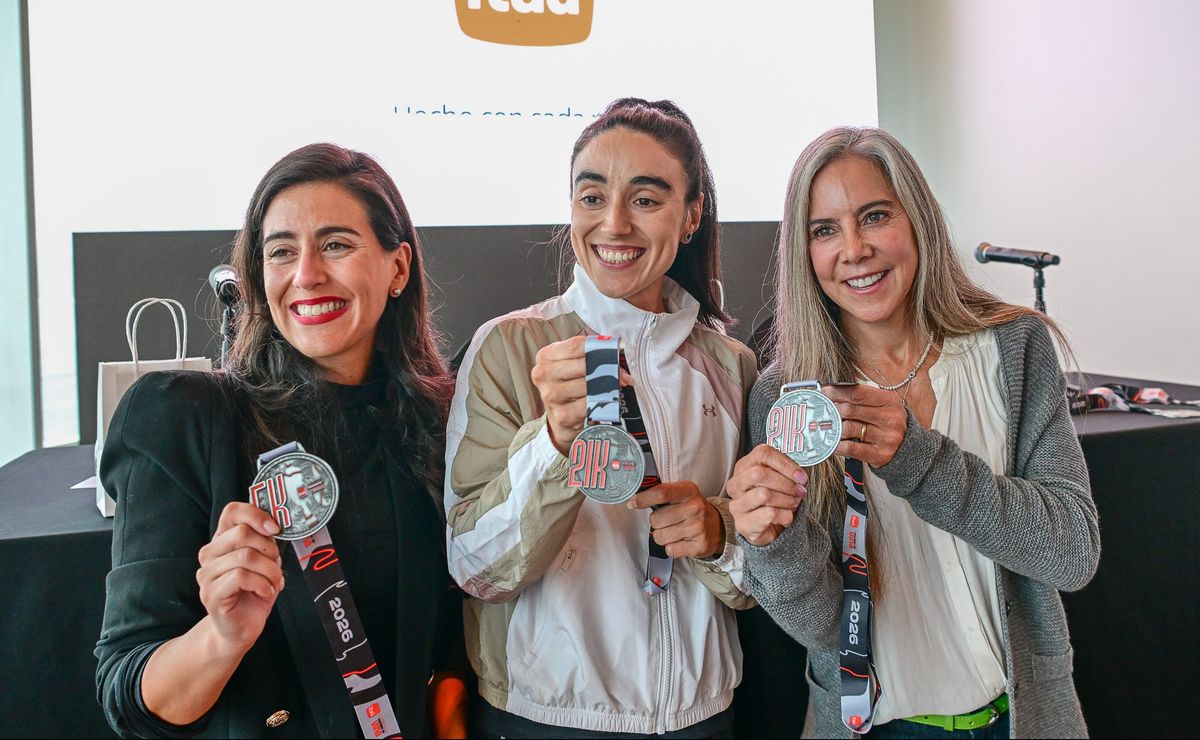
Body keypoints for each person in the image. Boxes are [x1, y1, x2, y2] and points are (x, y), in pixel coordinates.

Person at [726, 127, 1100, 739]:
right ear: (804, 253)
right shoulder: (786, 396)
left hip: (1022, 718)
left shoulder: (1013, 347)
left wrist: (918, 460)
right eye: (825, 230)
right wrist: (774, 541)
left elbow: (1072, 553)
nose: (854, 249)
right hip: (875, 725)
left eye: (875, 216)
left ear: (918, 219)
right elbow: (823, 628)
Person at [95, 143, 462, 738]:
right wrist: (222, 635)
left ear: (398, 268)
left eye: (336, 245)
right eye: (281, 252)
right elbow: (130, 699)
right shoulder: (185, 418)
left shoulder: (444, 419)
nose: (306, 274)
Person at [443, 98, 757, 738]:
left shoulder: (733, 366)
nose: (613, 223)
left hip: (702, 718)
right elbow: (474, 568)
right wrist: (554, 447)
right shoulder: (508, 348)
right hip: (547, 717)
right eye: (592, 197)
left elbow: (761, 580)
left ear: (691, 215)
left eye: (645, 199)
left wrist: (718, 532)